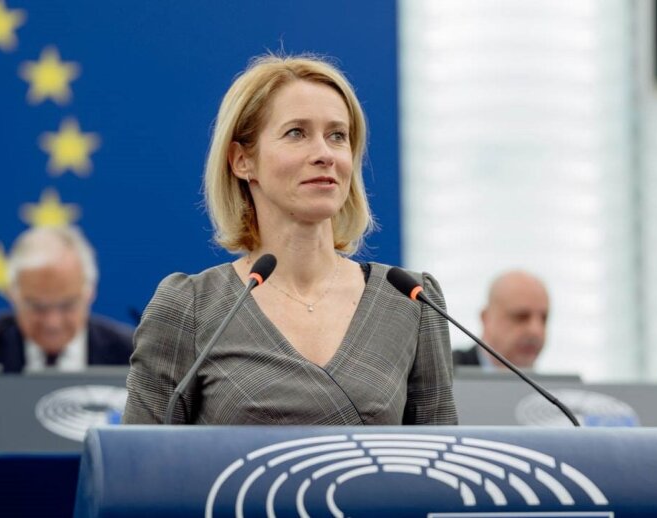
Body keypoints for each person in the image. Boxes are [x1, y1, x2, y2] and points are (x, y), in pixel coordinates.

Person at [123, 54, 457, 425]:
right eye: (296, 133)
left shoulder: (410, 301)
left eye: (337, 136)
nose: (324, 154)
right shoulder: (191, 307)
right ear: (241, 161)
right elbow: (139, 471)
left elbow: (441, 469)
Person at [0, 226, 134, 373]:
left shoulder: (132, 355)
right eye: (37, 307)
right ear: (11, 295)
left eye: (67, 305)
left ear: (90, 293)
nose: (52, 322)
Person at [453, 270, 549, 370]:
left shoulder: (553, 384)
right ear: (486, 319)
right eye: (521, 317)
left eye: (544, 319)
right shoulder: (444, 376)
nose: (536, 331)